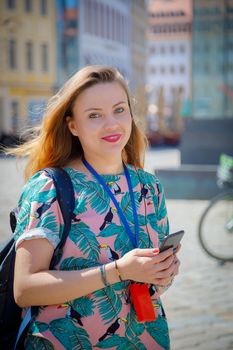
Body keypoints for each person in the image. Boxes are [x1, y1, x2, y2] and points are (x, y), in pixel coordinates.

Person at [10, 65, 180, 349]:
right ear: (72, 125)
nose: (112, 124)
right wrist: (119, 271)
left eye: (119, 109)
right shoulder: (49, 188)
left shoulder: (149, 187)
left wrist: (163, 272)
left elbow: (157, 285)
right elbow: (25, 290)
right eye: (94, 115)